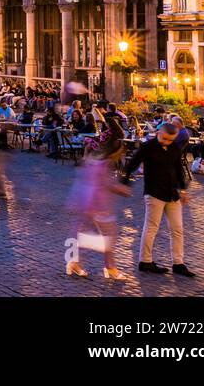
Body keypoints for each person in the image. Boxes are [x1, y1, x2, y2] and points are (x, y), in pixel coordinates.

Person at [121, 122, 195, 278]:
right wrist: (124, 182)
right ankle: (145, 261)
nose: (167, 142)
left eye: (170, 140)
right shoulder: (147, 147)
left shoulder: (174, 147)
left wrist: (183, 189)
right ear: (159, 133)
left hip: (172, 193)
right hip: (154, 193)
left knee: (177, 229)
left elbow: (178, 169)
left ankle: (178, 263)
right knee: (151, 227)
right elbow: (132, 164)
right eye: (164, 138)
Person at [65, 116, 130, 281]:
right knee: (109, 236)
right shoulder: (104, 163)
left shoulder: (94, 156)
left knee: (79, 232)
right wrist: (121, 189)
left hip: (84, 201)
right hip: (97, 204)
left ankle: (73, 262)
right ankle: (110, 268)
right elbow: (104, 184)